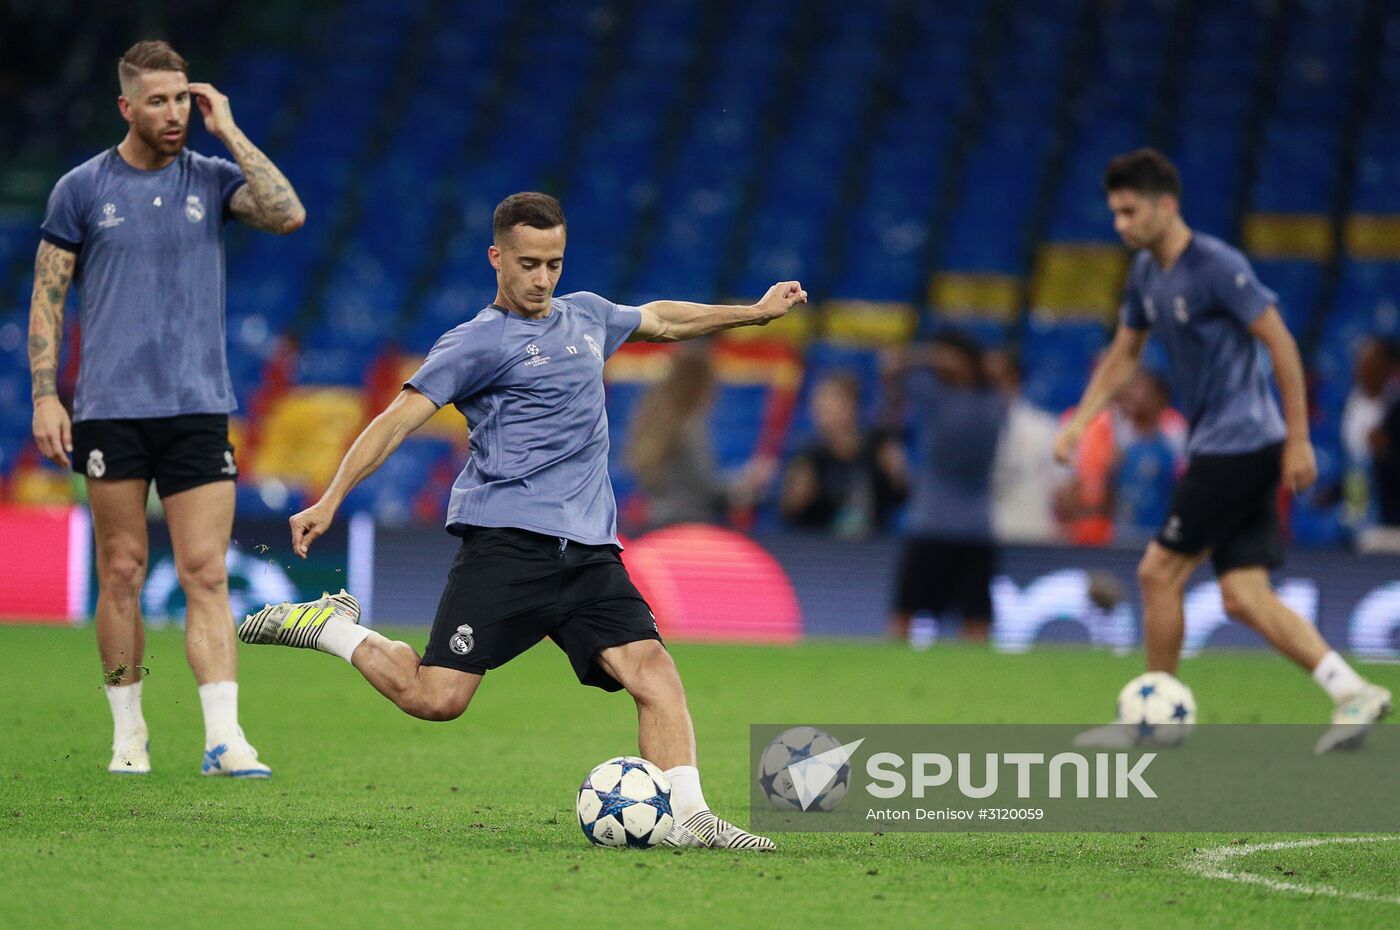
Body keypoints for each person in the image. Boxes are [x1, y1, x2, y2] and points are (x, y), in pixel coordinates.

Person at [238, 192, 805, 849]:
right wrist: (331, 497)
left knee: (653, 671)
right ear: (497, 257)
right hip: (508, 548)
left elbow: (663, 320)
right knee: (436, 699)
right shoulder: (475, 344)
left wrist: (755, 314)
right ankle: (333, 629)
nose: (542, 279)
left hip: (591, 551)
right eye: (529, 264)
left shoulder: (588, 316)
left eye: (554, 264)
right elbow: (396, 421)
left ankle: (693, 817)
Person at [29, 41, 306, 777]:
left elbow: (288, 215)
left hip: (196, 406)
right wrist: (43, 394)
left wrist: (231, 130)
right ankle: (129, 734)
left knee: (206, 571)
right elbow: (48, 298)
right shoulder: (81, 190)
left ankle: (225, 739)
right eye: (159, 100)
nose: (175, 112)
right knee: (120, 569)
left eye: (183, 97)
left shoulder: (213, 179)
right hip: (111, 409)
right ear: (127, 107)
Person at [1055, 148, 1390, 752]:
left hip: (1239, 443)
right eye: (1114, 213)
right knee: (1243, 595)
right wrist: (1081, 423)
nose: (1120, 225)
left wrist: (1298, 439)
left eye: (1130, 212)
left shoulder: (1214, 265)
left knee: (1158, 571)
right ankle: (1352, 691)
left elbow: (1281, 342)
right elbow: (1124, 355)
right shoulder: (1145, 275)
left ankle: (1153, 718)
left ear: (1166, 206)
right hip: (1228, 443)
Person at [886, 329, 1007, 643]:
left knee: (976, 620)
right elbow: (889, 366)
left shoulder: (990, 401)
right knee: (904, 613)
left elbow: (895, 368)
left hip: (970, 529)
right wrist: (928, 353)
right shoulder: (938, 393)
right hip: (930, 524)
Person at [625, 349, 773, 532]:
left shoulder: (656, 421)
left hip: (657, 523)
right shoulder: (689, 426)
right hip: (688, 526)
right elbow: (707, 487)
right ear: (701, 384)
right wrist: (746, 483)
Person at [779, 370, 906, 538]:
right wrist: (798, 495)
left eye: (831, 402)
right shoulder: (807, 454)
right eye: (819, 404)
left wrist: (897, 475)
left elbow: (901, 496)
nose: (823, 411)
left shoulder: (880, 446)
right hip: (820, 547)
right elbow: (790, 513)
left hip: (874, 544)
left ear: (852, 404)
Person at [984, 349, 1062, 544]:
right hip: (980, 540)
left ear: (1013, 379)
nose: (992, 387)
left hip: (1031, 540)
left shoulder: (1045, 428)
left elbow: (1061, 492)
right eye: (986, 381)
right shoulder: (963, 431)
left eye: (998, 379)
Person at [1110, 370, 1187, 542]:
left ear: (1161, 399)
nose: (1133, 395)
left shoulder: (1177, 437)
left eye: (1142, 389)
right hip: (1123, 535)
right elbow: (1112, 491)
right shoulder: (1122, 438)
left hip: (1159, 534)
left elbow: (1185, 494)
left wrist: (1173, 535)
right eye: (1132, 388)